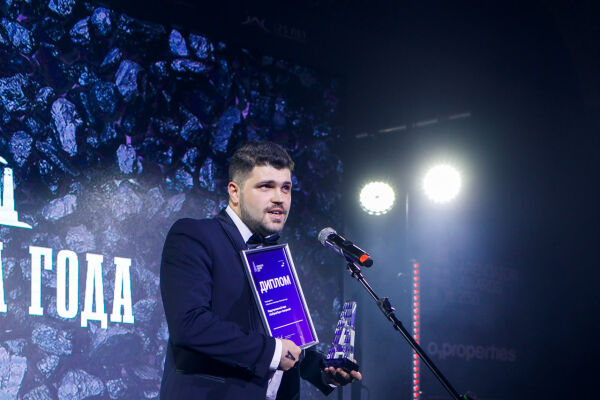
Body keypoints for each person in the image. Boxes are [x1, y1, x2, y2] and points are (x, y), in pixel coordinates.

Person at [159, 141, 362, 399]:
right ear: (234, 192)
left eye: (286, 188)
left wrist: (323, 370)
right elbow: (190, 325)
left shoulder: (274, 255)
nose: (279, 198)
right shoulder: (195, 235)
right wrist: (274, 352)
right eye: (266, 186)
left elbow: (285, 341)